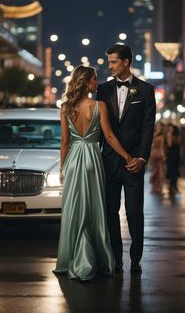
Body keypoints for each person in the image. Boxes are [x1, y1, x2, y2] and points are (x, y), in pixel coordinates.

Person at [53, 65, 132, 282]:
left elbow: (64, 142)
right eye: (95, 79)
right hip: (93, 160)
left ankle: (73, 258)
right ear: (86, 82)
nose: (97, 83)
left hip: (73, 161)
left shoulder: (66, 107)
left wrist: (63, 168)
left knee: (75, 210)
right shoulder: (99, 106)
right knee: (94, 209)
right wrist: (127, 156)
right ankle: (96, 259)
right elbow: (110, 138)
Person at [96, 44, 156, 274]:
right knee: (110, 211)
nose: (109, 66)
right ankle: (116, 258)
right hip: (109, 162)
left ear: (127, 62)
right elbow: (102, 128)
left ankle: (136, 258)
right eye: (109, 61)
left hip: (134, 164)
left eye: (113, 62)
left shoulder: (146, 90)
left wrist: (142, 158)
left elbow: (148, 126)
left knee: (134, 212)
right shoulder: (102, 89)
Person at [149, 122, 166, 194]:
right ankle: (155, 186)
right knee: (155, 170)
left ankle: (159, 186)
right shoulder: (153, 134)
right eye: (159, 126)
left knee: (161, 171)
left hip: (157, 153)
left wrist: (163, 155)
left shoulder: (162, 136)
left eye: (161, 127)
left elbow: (162, 147)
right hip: (154, 154)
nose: (160, 128)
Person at [166, 123, 181, 194]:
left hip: (171, 154)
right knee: (174, 170)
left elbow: (169, 144)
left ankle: (172, 185)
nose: (169, 129)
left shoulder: (170, 135)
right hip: (176, 154)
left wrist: (169, 136)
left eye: (171, 128)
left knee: (172, 170)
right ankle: (173, 185)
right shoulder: (178, 136)